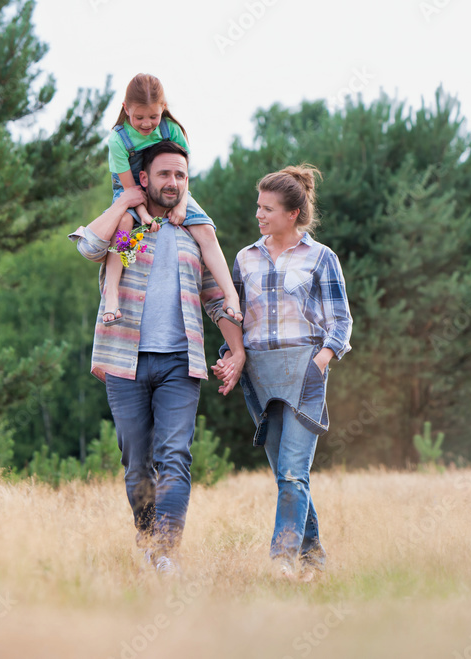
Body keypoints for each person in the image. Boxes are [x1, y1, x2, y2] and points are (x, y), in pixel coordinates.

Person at [69, 141, 245, 575]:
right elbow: (90, 246)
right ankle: (147, 540)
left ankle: (167, 551)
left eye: (181, 176)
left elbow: (215, 298)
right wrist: (127, 199)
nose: (173, 183)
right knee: (136, 462)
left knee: (175, 455)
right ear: (144, 178)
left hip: (179, 364)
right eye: (165, 174)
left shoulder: (192, 232)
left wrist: (237, 349)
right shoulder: (131, 226)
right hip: (124, 360)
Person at [213, 165, 353, 582]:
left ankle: (283, 560)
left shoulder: (320, 257)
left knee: (292, 470)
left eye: (268, 209)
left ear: (293, 213)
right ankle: (315, 560)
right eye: (258, 207)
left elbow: (341, 321)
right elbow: (233, 315)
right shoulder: (244, 258)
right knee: (286, 474)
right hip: (261, 373)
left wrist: (321, 361)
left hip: (306, 370)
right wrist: (230, 355)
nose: (259, 215)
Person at [102, 73, 241, 326]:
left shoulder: (171, 129)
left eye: (153, 117)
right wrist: (143, 215)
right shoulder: (118, 140)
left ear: (163, 108)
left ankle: (230, 294)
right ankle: (111, 292)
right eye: (139, 117)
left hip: (173, 186)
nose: (147, 124)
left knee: (206, 230)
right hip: (133, 187)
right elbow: (129, 188)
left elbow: (183, 173)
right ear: (126, 109)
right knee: (122, 225)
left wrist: (181, 204)